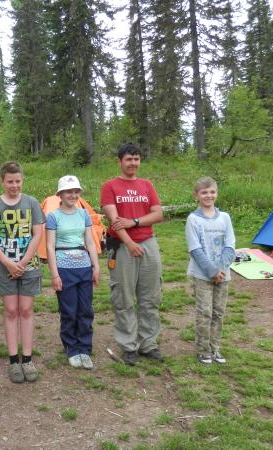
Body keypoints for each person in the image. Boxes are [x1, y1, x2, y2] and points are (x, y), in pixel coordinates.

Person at [100, 143, 164, 366]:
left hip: (148, 244)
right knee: (124, 297)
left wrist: (135, 222)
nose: (133, 163)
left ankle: (148, 343)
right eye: (128, 159)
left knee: (150, 297)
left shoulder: (147, 185)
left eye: (136, 159)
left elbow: (158, 214)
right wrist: (129, 243)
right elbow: (114, 220)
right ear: (120, 161)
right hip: (123, 246)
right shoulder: (110, 186)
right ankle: (128, 346)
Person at [0, 161, 45, 383]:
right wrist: (8, 263)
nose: (14, 185)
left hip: (30, 265)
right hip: (4, 267)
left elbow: (38, 234)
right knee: (11, 310)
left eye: (18, 181)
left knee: (26, 309)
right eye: (10, 181)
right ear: (2, 181)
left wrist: (23, 262)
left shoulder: (32, 203)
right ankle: (13, 360)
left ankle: (27, 359)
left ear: (22, 180)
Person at [46, 175, 100, 369]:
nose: (73, 195)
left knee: (85, 310)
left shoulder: (83, 214)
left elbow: (90, 242)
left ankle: (84, 348)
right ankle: (71, 348)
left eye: (76, 192)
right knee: (69, 311)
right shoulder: (53, 216)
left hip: (84, 266)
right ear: (60, 194)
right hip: (64, 268)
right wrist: (55, 274)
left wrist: (96, 266)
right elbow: (50, 246)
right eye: (69, 192)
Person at [185, 177, 235, 364]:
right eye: (204, 192)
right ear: (196, 195)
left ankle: (215, 348)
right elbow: (195, 249)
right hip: (202, 275)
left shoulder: (225, 218)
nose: (209, 195)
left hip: (223, 275)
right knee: (205, 313)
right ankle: (203, 350)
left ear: (217, 193)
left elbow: (230, 245)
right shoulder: (193, 219)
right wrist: (212, 271)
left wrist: (220, 270)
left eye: (212, 191)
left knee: (218, 313)